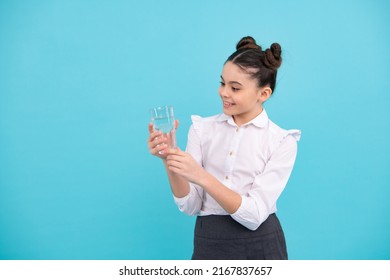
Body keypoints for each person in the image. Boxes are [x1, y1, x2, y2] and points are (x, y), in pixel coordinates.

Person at [147, 36, 301, 260]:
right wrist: (168, 160)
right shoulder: (202, 129)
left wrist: (201, 175)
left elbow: (255, 215)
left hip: (261, 245)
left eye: (235, 88)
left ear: (264, 94)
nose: (224, 92)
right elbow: (190, 206)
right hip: (209, 242)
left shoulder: (281, 141)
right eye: (222, 83)